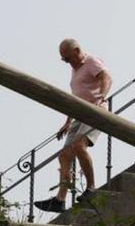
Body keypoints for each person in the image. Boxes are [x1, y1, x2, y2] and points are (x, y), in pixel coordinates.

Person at [33, 39, 113, 213]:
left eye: (67, 58)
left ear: (77, 51)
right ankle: (60, 200)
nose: (66, 62)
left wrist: (102, 97)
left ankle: (91, 188)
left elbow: (106, 77)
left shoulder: (91, 61)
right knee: (64, 155)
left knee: (79, 146)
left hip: (94, 111)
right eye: (63, 60)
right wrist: (68, 122)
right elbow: (76, 97)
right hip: (78, 114)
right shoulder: (74, 70)